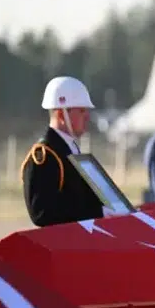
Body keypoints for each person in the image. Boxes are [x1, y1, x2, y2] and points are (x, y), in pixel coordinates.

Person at [21, 76, 106, 227]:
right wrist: (98, 212)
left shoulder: (70, 148)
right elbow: (42, 213)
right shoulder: (44, 156)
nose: (87, 116)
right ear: (61, 114)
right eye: (82, 110)